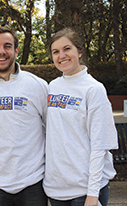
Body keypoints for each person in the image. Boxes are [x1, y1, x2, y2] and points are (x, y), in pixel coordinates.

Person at [0, 26, 48, 206]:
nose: (2, 52)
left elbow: (50, 129)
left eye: (7, 46)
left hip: (33, 182)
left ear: (16, 50)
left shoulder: (38, 85)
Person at [43, 28, 118, 206]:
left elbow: (100, 144)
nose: (62, 55)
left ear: (79, 51)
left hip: (85, 191)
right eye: (56, 51)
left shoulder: (94, 89)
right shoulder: (51, 87)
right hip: (56, 189)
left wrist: (93, 193)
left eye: (67, 49)